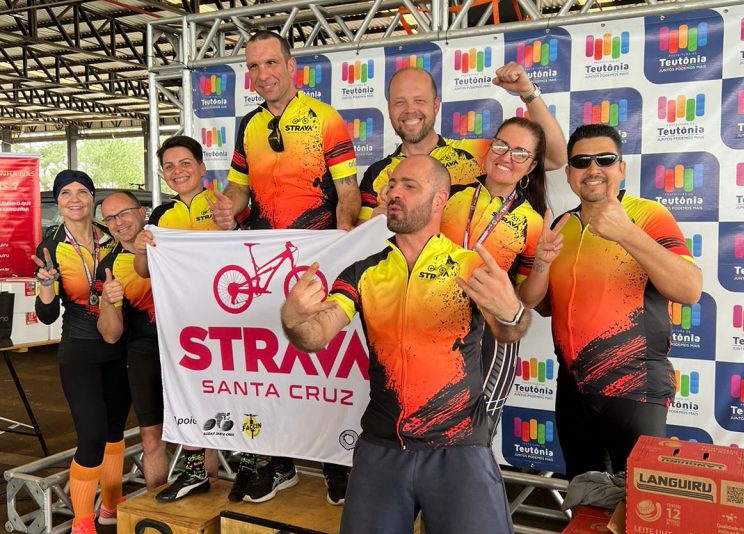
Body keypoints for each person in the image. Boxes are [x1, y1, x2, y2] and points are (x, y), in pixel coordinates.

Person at [281, 156, 544, 534]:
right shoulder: (364, 271)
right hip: (382, 451)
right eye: (388, 186)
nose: (391, 194)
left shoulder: (470, 265)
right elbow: (316, 334)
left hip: (458, 452)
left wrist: (511, 312)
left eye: (407, 185)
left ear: (440, 198)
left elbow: (511, 329)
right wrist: (293, 317)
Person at [211, 29, 361, 506]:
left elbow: (349, 191)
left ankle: (338, 462)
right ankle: (279, 464)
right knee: (274, 367)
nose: (262, 74)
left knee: (327, 365)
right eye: (254, 66)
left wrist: (341, 244)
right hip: (266, 256)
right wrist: (228, 207)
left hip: (316, 258)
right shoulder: (248, 125)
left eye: (271, 63)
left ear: (292, 66)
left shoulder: (325, 118)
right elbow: (239, 188)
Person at [532, 123, 703, 478]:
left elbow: (689, 290)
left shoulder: (647, 214)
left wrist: (626, 233)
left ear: (621, 168)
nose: (593, 169)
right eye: (582, 162)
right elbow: (548, 307)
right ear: (568, 174)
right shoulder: (561, 225)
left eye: (605, 159)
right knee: (584, 497)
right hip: (573, 389)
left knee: (641, 503)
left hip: (635, 387)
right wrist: (539, 267)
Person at [441, 116, 567, 423]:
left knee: (476, 428)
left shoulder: (532, 221)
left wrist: (543, 262)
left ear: (532, 166)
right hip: (436, 321)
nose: (507, 157)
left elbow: (527, 299)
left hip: (491, 333)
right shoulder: (448, 196)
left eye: (520, 153)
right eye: (501, 146)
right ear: (489, 149)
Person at [32, 170, 131, 534]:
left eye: (82, 192)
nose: (75, 199)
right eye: (66, 193)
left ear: (92, 198)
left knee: (115, 431)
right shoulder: (51, 246)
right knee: (90, 435)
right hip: (80, 352)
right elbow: (46, 314)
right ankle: (82, 521)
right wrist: (45, 284)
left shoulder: (113, 237)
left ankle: (111, 504)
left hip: (118, 346)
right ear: (58, 202)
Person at [133, 135, 225, 502]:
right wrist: (141, 250)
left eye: (185, 163)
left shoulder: (223, 203)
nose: (177, 171)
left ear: (201, 167)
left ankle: (247, 468)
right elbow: (144, 271)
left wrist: (232, 226)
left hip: (225, 321)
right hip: (180, 325)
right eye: (169, 166)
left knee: (231, 396)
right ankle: (196, 473)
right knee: (189, 395)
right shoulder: (160, 215)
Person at [358, 61, 566, 220]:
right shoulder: (377, 174)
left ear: (436, 106)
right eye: (399, 102)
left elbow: (555, 158)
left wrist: (528, 92)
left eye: (419, 100)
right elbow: (359, 241)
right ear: (389, 110)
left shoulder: (477, 152)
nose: (410, 110)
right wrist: (378, 221)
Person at [96, 191, 167, 489]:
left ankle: (206, 500)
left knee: (201, 434)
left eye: (123, 213)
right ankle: (156, 506)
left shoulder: (169, 239)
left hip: (190, 347)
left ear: (141, 212)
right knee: (151, 437)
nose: (118, 222)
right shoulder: (108, 266)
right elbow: (110, 334)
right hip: (144, 352)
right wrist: (108, 302)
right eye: (110, 218)